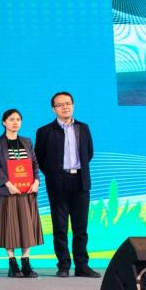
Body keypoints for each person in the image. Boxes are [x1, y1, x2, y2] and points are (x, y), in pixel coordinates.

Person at [35, 91, 97, 278]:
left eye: (68, 103)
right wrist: (54, 175)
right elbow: (40, 158)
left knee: (81, 228)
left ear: (73, 105)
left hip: (80, 181)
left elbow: (89, 153)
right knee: (60, 227)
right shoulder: (45, 131)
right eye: (60, 104)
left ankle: (82, 266)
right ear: (53, 109)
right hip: (58, 183)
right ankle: (63, 265)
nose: (65, 107)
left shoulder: (83, 128)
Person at [0, 109, 43, 279]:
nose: (15, 122)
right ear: (3, 122)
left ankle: (26, 261)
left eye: (18, 119)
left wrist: (36, 181)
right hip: (9, 191)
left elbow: (34, 164)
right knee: (10, 226)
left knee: (27, 226)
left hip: (27, 190)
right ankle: (12, 263)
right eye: (11, 119)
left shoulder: (27, 141)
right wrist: (8, 184)